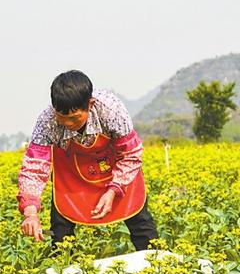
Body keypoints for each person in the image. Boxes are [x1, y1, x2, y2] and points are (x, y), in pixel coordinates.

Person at [17, 70, 158, 249]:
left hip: (114, 165)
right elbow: (34, 168)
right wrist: (30, 213)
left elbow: (130, 154)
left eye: (75, 118)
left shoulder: (111, 109)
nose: (68, 124)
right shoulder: (47, 121)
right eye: (62, 118)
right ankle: (64, 269)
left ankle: (155, 264)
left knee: (140, 222)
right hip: (71, 173)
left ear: (90, 105)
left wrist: (114, 189)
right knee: (61, 230)